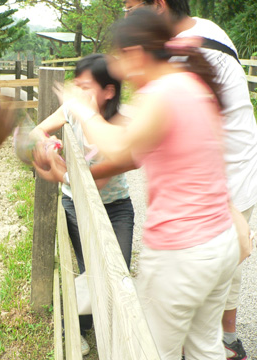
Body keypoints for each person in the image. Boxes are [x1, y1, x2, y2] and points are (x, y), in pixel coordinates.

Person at [61, 8, 241, 359]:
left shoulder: (162, 93)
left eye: (121, 59)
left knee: (153, 352)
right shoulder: (192, 83)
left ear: (137, 54)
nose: (121, 71)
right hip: (220, 243)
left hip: (181, 253)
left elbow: (117, 146)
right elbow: (137, 150)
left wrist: (82, 109)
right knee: (205, 348)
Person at [116, 2, 257, 359]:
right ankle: (225, 340)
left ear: (159, 6)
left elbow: (136, 144)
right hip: (227, 180)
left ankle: (227, 339)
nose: (128, 16)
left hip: (223, 182)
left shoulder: (183, 55)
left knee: (159, 341)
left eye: (132, 8)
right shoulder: (202, 36)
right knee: (208, 316)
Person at [29, 53, 135, 356]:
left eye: (85, 86)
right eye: (76, 85)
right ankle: (76, 324)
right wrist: (46, 145)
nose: (76, 93)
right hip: (76, 206)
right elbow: (39, 130)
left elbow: (91, 183)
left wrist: (56, 170)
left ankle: (111, 330)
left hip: (115, 208)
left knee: (118, 272)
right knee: (91, 271)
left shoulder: (121, 127)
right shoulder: (73, 110)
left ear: (109, 91)